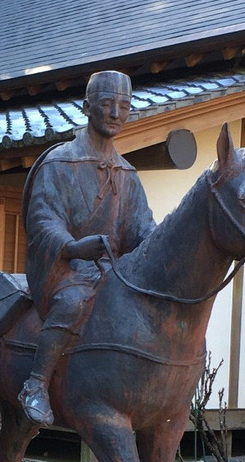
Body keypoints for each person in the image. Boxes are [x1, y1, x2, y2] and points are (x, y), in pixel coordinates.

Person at [19, 70, 156, 427]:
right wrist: (75, 247)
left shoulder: (127, 173)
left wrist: (161, 244)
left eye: (124, 105)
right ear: (87, 107)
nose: (116, 113)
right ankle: (36, 383)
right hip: (68, 270)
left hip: (113, 272)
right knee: (73, 300)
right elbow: (43, 220)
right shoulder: (59, 162)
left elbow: (141, 227)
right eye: (107, 103)